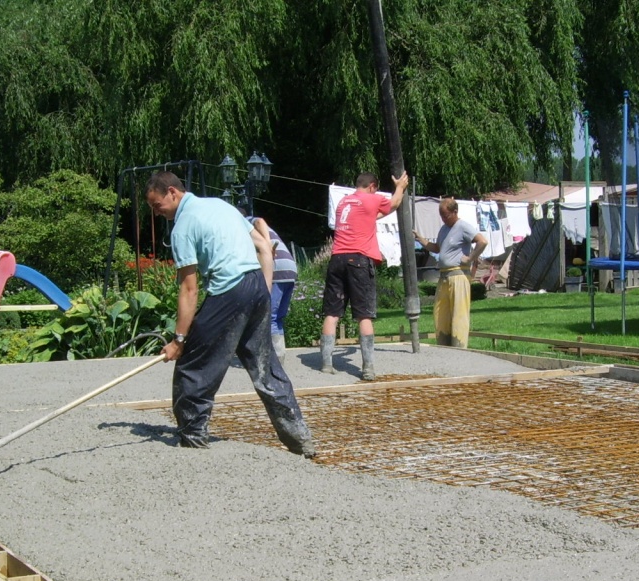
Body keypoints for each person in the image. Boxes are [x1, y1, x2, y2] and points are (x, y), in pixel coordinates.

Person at [145, 171, 314, 457]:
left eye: (156, 205)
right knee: (265, 369)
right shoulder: (222, 206)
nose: (156, 212)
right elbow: (263, 246)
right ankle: (300, 439)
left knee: (194, 365)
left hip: (229, 291)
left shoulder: (183, 226)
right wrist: (262, 293)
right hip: (256, 285)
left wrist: (179, 339)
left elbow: (189, 290)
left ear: (172, 192)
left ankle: (193, 438)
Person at [321, 170, 409, 380]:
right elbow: (395, 203)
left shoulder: (345, 202)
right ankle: (368, 368)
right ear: (372, 187)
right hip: (359, 260)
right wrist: (400, 187)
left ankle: (326, 364)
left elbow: (373, 216)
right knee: (364, 314)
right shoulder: (372, 198)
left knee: (332, 313)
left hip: (337, 259)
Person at [414, 198, 487, 348]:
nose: (443, 219)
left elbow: (482, 241)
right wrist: (420, 239)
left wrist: (471, 258)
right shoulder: (444, 229)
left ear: (455, 212)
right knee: (441, 313)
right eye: (441, 216)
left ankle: (459, 347)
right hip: (444, 276)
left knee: (458, 314)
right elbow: (437, 248)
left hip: (458, 274)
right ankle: (444, 345)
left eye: (446, 215)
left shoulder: (463, 226)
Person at [239, 209, 297, 364]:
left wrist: (267, 244)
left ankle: (274, 360)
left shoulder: (246, 222)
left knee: (268, 315)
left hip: (277, 269)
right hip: (290, 269)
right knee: (277, 317)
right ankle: (278, 357)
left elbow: (260, 221)